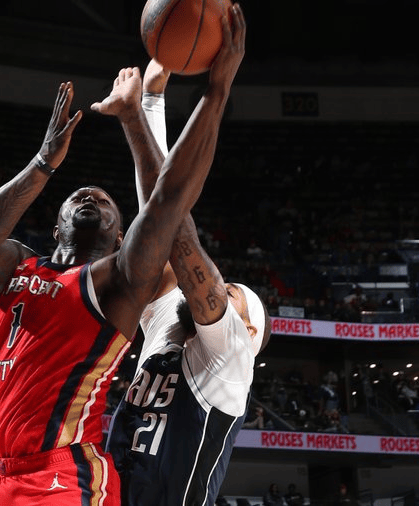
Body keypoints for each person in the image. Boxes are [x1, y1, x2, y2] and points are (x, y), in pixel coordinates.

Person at [0, 23, 226, 500]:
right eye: (80, 195)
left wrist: (212, 90)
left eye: (105, 202)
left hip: (64, 475)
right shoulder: (18, 265)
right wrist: (43, 163)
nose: (91, 197)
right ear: (55, 226)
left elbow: (168, 200)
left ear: (121, 237)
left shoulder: (115, 282)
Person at [106, 8, 270, 506]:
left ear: (249, 333)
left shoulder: (230, 360)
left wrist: (148, 114)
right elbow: (158, 223)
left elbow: (176, 229)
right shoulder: (168, 325)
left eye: (230, 292)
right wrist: (151, 100)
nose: (219, 286)